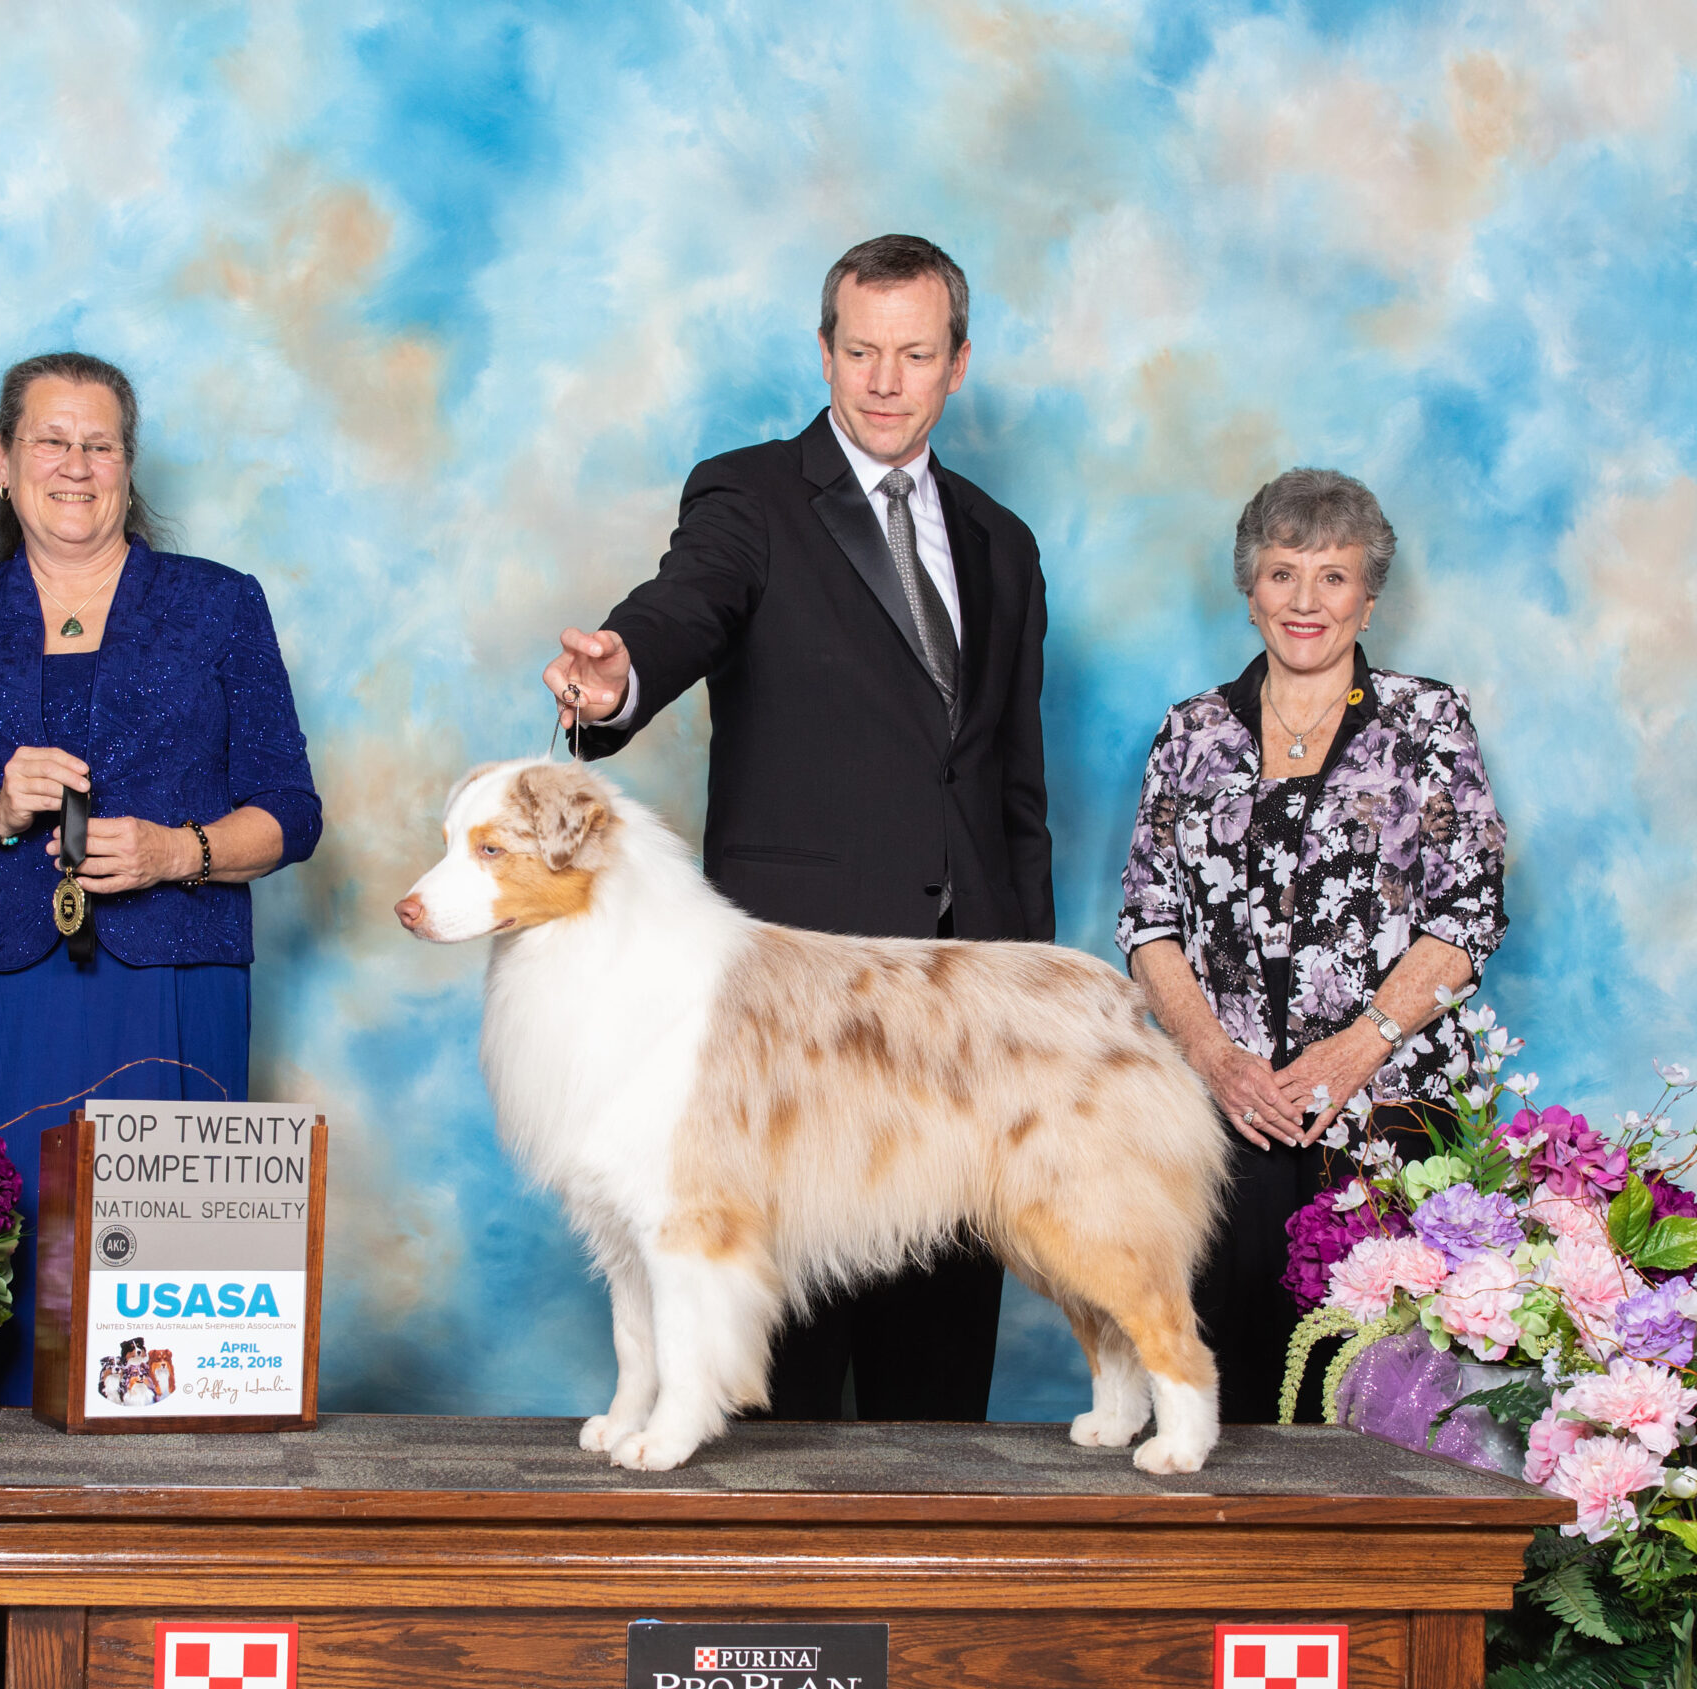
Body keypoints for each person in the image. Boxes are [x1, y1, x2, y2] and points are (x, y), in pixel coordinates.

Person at [541, 233, 1048, 1424]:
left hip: (959, 1012)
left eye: (913, 354)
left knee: (938, 1389)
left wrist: (1023, 982)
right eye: (860, 351)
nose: (883, 380)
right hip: (793, 1015)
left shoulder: (1003, 542)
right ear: (824, 351)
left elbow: (1013, 787)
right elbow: (685, 605)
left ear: (957, 364)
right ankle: (771, 1610)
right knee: (788, 1385)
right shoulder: (748, 495)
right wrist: (618, 678)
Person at [0, 351, 322, 1404]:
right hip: (5, 990)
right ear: (3, 461)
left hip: (174, 982)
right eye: (50, 441)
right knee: (9, 1277)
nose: (75, 465)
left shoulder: (219, 604)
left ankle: (173, 1540)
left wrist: (176, 852)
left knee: (169, 1304)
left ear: (128, 464)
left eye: (99, 444)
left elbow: (290, 811)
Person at [1118, 468, 1507, 1421]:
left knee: (1380, 1390)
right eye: (1283, 572)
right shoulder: (1192, 733)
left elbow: (1469, 911)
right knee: (1227, 1380)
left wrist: (1355, 1048)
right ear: (1251, 590)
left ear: (1368, 596)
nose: (1305, 601)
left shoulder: (1428, 723)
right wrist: (1213, 1058)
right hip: (1229, 1112)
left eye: (1332, 577)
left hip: (1386, 1116)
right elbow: (1148, 919)